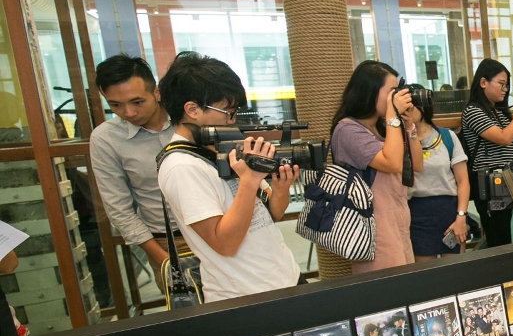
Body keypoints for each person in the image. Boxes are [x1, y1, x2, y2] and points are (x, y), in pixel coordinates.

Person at [155, 52, 299, 302]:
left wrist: (281, 188)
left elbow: (271, 214)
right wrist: (250, 180)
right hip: (246, 295)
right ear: (192, 109)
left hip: (283, 277)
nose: (231, 121)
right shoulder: (181, 166)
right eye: (227, 112)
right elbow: (225, 243)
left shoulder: (217, 147)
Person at [88, 55, 176, 277]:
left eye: (137, 102)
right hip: (165, 241)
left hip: (218, 228)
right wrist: (163, 259)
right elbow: (118, 208)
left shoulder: (187, 118)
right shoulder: (106, 138)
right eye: (115, 105)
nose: (128, 113)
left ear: (156, 92)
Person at [330, 61, 422, 274]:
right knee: (390, 295)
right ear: (370, 92)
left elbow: (416, 164)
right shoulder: (347, 129)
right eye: (391, 91)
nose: (397, 97)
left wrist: (409, 127)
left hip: (397, 220)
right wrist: (392, 117)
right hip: (372, 228)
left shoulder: (383, 127)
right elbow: (391, 163)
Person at [460, 59, 513, 248]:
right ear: (483, 82)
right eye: (501, 84)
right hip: (488, 187)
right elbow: (504, 138)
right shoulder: (473, 111)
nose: (505, 89)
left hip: (510, 181)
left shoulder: (500, 112)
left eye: (507, 85)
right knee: (500, 240)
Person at [403, 90, 469, 261]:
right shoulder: (400, 141)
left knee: (455, 274)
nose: (408, 109)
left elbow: (463, 182)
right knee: (425, 278)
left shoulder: (448, 137)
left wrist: (461, 216)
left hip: (449, 212)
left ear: (423, 106)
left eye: (412, 104)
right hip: (416, 213)